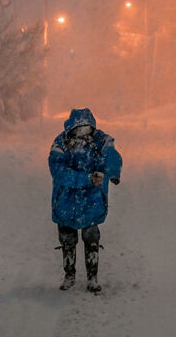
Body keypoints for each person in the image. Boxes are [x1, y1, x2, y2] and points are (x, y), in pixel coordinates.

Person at [49, 108, 122, 292]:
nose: (82, 135)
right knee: (68, 238)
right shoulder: (61, 143)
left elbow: (111, 155)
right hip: (67, 200)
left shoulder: (100, 141)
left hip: (90, 199)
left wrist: (112, 172)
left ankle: (92, 277)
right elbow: (59, 172)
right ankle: (69, 275)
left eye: (86, 130)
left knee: (91, 237)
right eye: (78, 130)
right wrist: (87, 179)